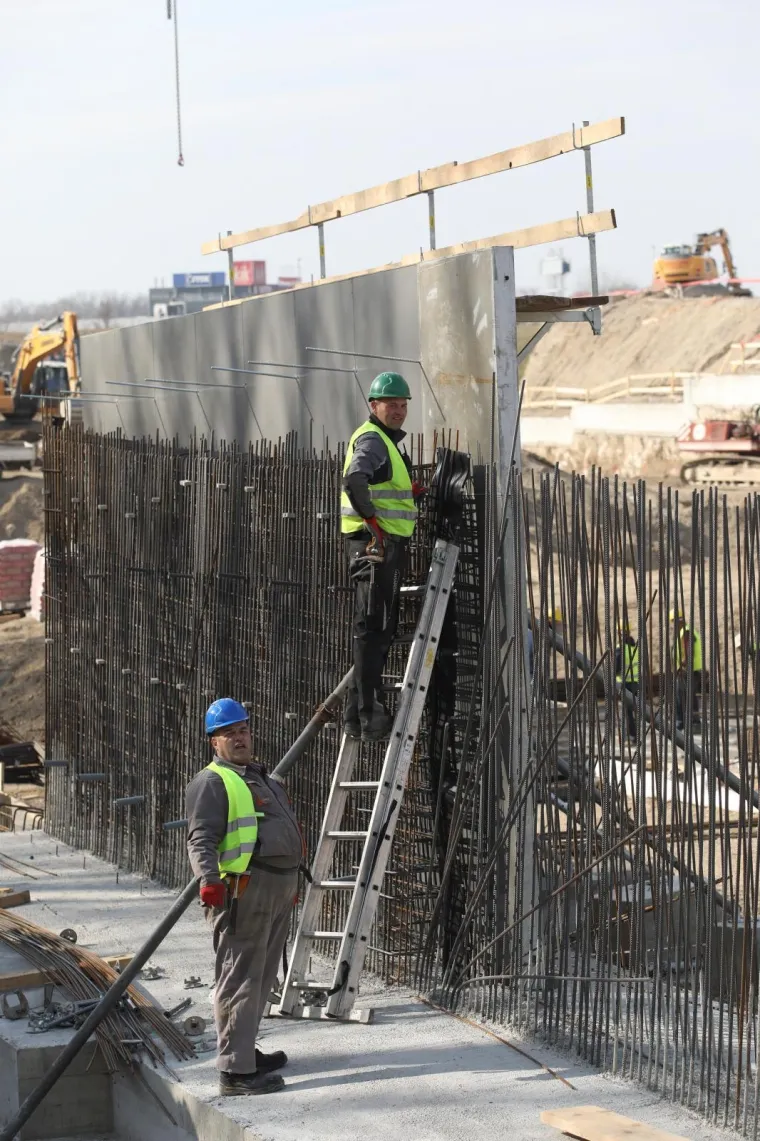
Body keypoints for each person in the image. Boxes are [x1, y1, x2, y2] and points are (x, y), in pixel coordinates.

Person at [186, 699, 303, 1096]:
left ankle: (244, 1051)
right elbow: (200, 837)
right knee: (240, 976)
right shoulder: (211, 782)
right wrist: (208, 880)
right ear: (213, 742)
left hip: (274, 889)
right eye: (229, 732)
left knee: (262, 976)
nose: (239, 737)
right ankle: (235, 1074)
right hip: (242, 893)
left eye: (243, 729)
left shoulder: (260, 776)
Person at [341, 372, 423, 741]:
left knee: (375, 627)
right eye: (392, 405)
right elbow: (356, 479)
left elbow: (380, 486)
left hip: (380, 542)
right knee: (373, 629)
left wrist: (410, 492)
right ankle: (367, 714)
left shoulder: (385, 443)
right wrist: (373, 521)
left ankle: (357, 714)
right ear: (374, 406)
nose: (399, 411)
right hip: (374, 545)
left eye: (404, 405)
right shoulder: (374, 439)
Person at [672, 609, 702, 730]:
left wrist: (683, 665)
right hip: (691, 669)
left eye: (674, 621)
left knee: (681, 696)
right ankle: (694, 722)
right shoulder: (687, 630)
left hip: (687, 670)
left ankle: (681, 722)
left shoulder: (686, 632)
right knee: (690, 695)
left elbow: (689, 649)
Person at [614, 621, 639, 739]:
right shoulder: (634, 647)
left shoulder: (620, 648)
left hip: (624, 683)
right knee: (633, 709)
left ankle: (630, 735)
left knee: (626, 711)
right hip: (636, 682)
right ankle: (633, 733)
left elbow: (616, 668)